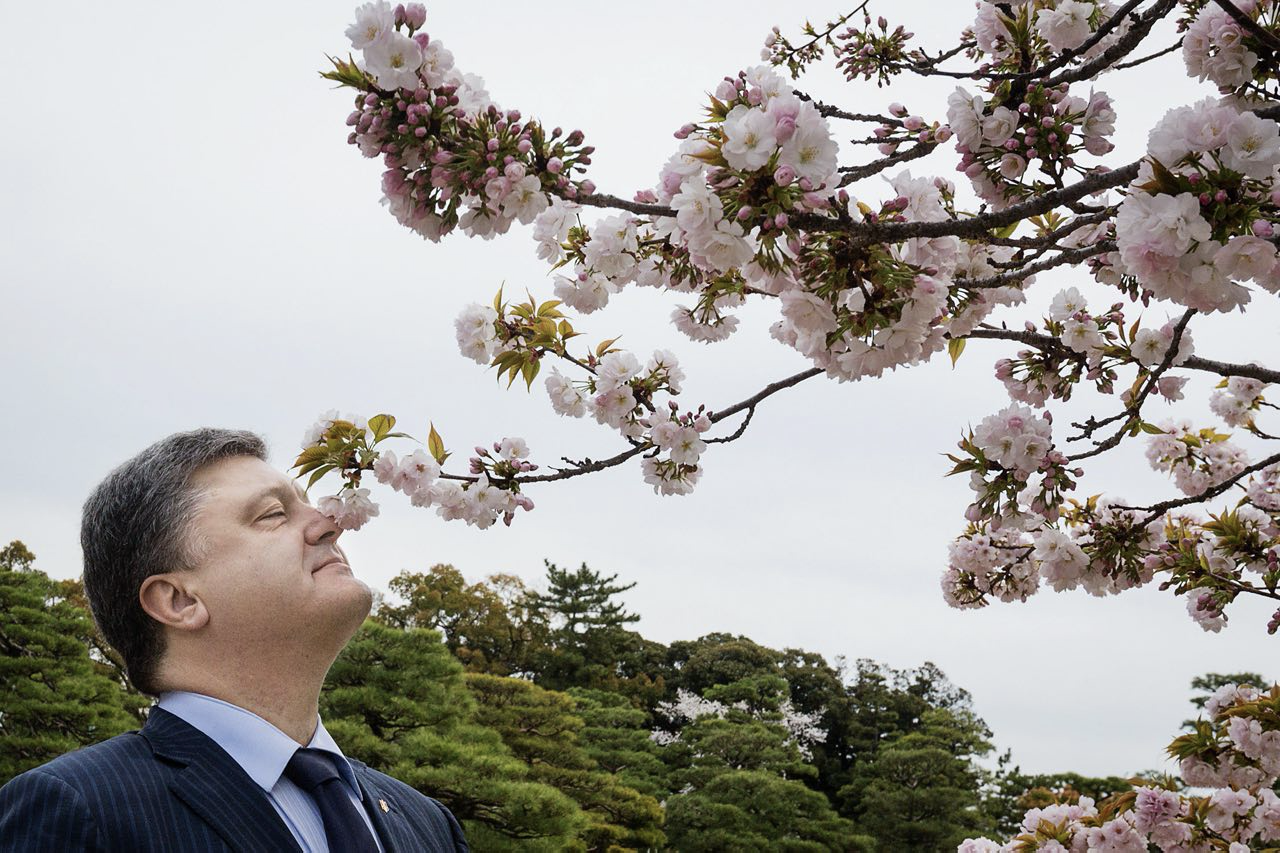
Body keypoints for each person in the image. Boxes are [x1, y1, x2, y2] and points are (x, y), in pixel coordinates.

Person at [0, 428, 469, 852]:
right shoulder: (82, 810)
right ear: (179, 601)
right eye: (273, 514)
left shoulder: (428, 825)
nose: (331, 522)